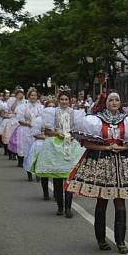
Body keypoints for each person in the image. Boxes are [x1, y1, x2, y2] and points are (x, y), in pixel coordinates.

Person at [67, 92, 128, 252]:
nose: (114, 102)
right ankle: (101, 239)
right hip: (101, 162)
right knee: (102, 200)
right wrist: (107, 147)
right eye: (111, 100)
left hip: (122, 162)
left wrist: (122, 147)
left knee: (120, 201)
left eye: (117, 100)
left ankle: (120, 241)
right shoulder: (95, 120)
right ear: (105, 103)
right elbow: (87, 143)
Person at [33, 89, 83, 218]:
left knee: (69, 178)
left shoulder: (76, 114)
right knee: (57, 178)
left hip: (70, 146)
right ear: (58, 101)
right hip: (55, 146)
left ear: (70, 101)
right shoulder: (51, 112)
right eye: (62, 99)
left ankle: (68, 208)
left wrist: (71, 135)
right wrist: (57, 133)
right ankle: (60, 207)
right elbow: (47, 132)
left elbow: (78, 131)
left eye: (66, 99)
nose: (64, 102)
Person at [15, 88, 44, 177]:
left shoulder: (41, 107)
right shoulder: (23, 106)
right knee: (28, 152)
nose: (33, 97)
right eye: (31, 95)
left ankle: (37, 172)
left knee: (38, 152)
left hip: (38, 132)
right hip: (26, 131)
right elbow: (20, 120)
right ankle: (29, 172)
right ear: (28, 96)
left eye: (35, 95)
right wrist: (30, 123)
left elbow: (44, 119)